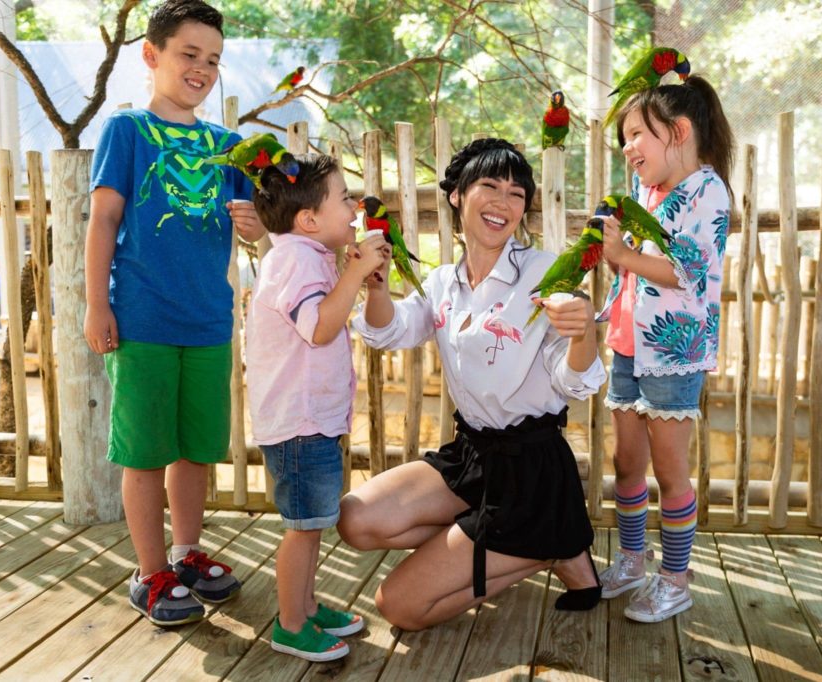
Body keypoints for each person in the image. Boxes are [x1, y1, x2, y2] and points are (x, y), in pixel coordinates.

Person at [339, 138, 608, 632]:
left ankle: (552, 544)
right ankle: (504, 539)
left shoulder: (545, 274)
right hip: (472, 456)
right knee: (354, 520)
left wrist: (584, 331)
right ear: (458, 195)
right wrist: (375, 287)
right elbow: (387, 331)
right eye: (489, 186)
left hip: (531, 473)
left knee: (396, 606)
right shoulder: (442, 282)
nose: (504, 203)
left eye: (516, 193)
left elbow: (577, 381)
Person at [83, 0, 266, 626]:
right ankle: (150, 571)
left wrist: (254, 225)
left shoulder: (229, 147)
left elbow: (254, 235)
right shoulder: (126, 131)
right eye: (190, 54)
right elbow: (104, 219)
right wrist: (95, 304)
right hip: (142, 321)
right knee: (145, 453)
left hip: (210, 321)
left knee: (195, 450)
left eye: (213, 60)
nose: (202, 69)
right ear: (152, 54)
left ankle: (186, 554)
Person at [594, 73, 734, 622]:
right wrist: (612, 249)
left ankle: (675, 579)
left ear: (677, 131)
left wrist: (624, 257)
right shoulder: (643, 190)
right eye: (625, 138)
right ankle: (632, 558)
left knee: (670, 472)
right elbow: (633, 258)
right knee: (625, 461)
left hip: (675, 352)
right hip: (629, 344)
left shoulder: (707, 190)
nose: (628, 148)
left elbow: (691, 270)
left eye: (636, 135)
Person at [246, 154, 385, 661]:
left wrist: (352, 270)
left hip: (310, 421)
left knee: (311, 522)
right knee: (302, 529)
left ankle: (304, 606)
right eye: (344, 198)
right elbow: (319, 326)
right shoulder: (296, 260)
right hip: (299, 424)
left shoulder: (306, 256)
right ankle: (289, 624)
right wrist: (358, 271)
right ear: (308, 220)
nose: (354, 208)